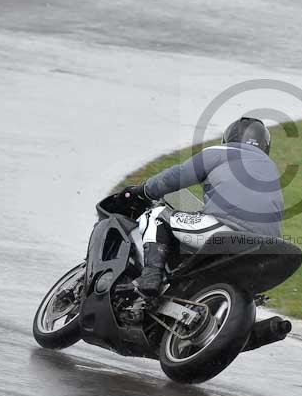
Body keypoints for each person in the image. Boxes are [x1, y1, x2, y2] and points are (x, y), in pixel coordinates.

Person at [119, 117, 284, 296]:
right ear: (266, 145)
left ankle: (150, 276)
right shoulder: (270, 167)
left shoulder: (220, 152)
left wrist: (143, 190)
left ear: (229, 138)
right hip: (266, 245)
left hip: (226, 232)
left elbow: (175, 177)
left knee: (156, 215)